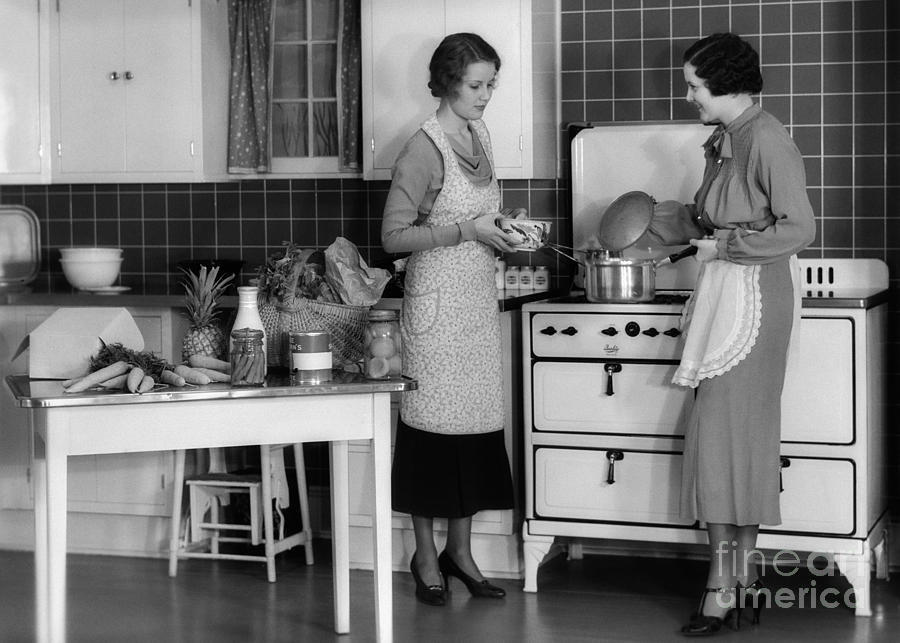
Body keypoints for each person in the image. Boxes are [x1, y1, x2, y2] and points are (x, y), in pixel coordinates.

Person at [644, 33, 816, 636]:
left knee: (726, 438)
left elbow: (800, 227)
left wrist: (727, 246)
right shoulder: (726, 138)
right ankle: (739, 577)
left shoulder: (766, 137)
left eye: (695, 85)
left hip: (757, 297)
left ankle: (724, 584)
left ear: (726, 84)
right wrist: (653, 226)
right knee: (730, 440)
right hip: (726, 290)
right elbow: (708, 215)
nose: (689, 95)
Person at [381, 32, 525, 607]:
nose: (487, 95)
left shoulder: (479, 134)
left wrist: (504, 228)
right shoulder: (423, 148)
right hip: (437, 307)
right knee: (431, 431)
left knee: (474, 428)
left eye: (492, 83)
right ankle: (424, 555)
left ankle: (460, 553)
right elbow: (393, 235)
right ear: (445, 83)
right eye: (476, 84)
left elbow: (481, 213)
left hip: (475, 302)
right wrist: (469, 230)